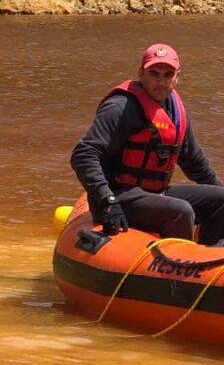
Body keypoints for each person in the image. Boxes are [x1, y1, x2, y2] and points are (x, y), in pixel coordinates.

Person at [71, 43, 224, 244]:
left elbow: (195, 162)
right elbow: (84, 154)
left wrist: (216, 192)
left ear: (177, 77)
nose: (161, 82)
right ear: (141, 73)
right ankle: (181, 266)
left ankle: (211, 262)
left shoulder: (175, 112)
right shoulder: (120, 107)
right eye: (154, 73)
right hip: (118, 196)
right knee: (180, 211)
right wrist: (107, 200)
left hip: (154, 195)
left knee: (221, 199)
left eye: (168, 75)